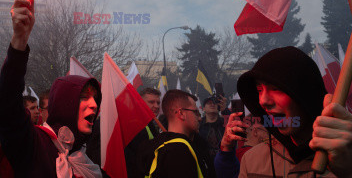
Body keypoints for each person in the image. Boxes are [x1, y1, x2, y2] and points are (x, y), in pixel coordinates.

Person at [0, 0, 102, 177]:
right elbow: (8, 105)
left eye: (95, 99)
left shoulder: (90, 165)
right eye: (84, 97)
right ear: (63, 105)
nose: (94, 105)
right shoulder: (33, 144)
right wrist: (20, 40)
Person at [215, 46, 352, 178]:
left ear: (306, 94)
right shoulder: (252, 161)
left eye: (276, 88)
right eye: (259, 90)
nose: (263, 101)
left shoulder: (344, 156)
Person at [138, 89, 216, 178]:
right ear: (181, 113)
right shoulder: (178, 152)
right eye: (195, 112)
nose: (199, 118)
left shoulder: (161, 146)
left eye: (158, 103)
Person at [125, 87, 161, 178]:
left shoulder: (149, 124)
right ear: (140, 103)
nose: (156, 106)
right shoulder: (134, 124)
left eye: (158, 102)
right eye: (151, 102)